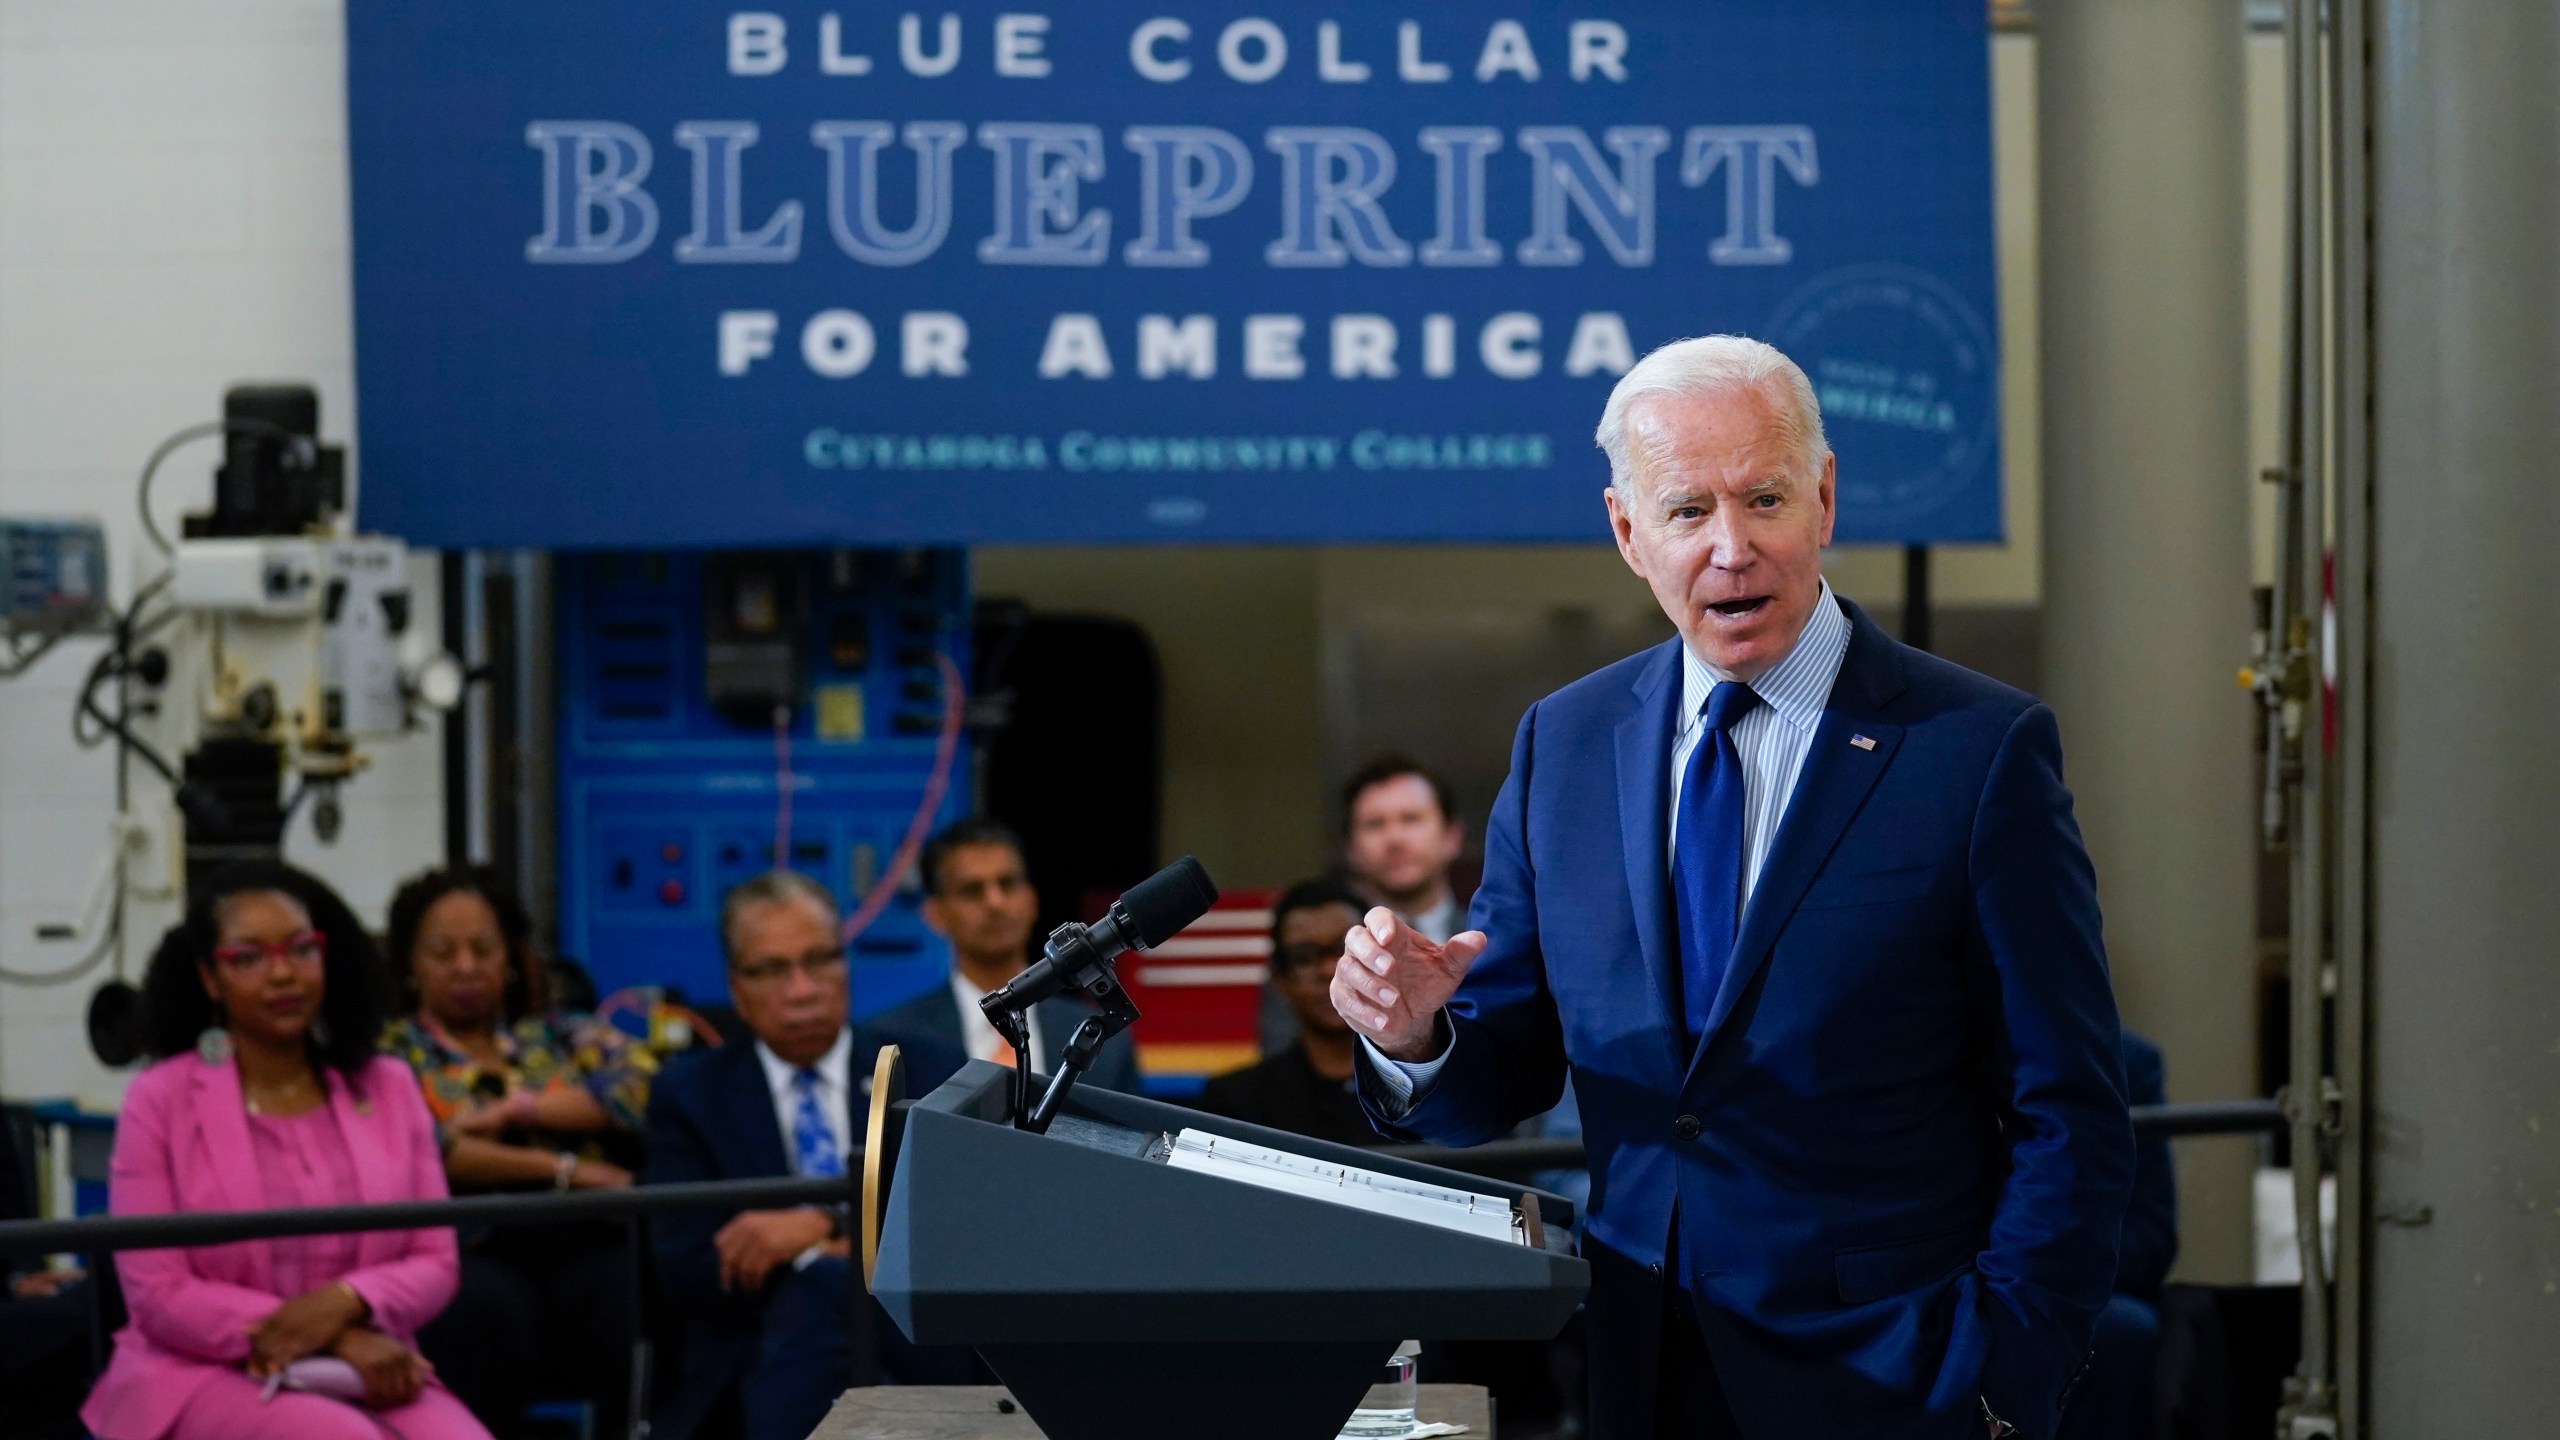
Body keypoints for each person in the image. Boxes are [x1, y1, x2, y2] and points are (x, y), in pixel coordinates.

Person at [1332, 335, 2135, 1440]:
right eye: (1685, 513)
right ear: (1625, 531)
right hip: (1641, 1370)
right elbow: (1492, 1079)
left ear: (1824, 497)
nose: (1730, 550)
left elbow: (2070, 1105)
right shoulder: (1563, 745)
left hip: (1905, 1378)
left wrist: (2010, 1373)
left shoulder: (1975, 750)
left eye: (1763, 499)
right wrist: (1416, 1038)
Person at [82, 861, 492, 1440]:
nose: (283, 974)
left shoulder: (389, 1085)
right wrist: (332, 1334)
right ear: (209, 979)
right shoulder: (159, 1100)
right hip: (200, 1370)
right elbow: (159, 1293)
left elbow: (435, 1261)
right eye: (249, 958)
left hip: (370, 1366)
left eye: (301, 949)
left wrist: (350, 1301)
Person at [645, 872, 971, 1440]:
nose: (801, 989)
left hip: (914, 1347)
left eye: (820, 960)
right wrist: (828, 1262)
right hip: (756, 1354)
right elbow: (687, 1268)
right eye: (772, 970)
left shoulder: (925, 1068)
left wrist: (821, 1224)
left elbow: (957, 1223)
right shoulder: (691, 1094)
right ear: (736, 989)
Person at [380, 865, 657, 1438]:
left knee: (632, 1291)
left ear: (509, 960)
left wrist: (517, 1111)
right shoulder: (389, 1055)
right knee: (486, 1311)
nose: (465, 966)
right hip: (469, 1244)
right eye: (443, 951)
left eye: (482, 948)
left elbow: (642, 1091)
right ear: (410, 963)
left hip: (580, 1238)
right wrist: (567, 1169)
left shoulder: (559, 1035)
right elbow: (433, 1147)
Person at [868, 818, 1141, 1097]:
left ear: (1032, 900)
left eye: (1007, 884)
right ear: (935, 914)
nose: (995, 903)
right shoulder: (895, 1045)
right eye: (972, 890)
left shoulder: (1104, 1040)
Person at [2058, 1031, 2178, 1440]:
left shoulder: (2126, 1062)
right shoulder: (1916, 1054)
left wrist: (2044, 1268)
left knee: (2121, 1333)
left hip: (2069, 1284)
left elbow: (2152, 1238)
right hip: (1942, 1279)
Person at [1195, 878, 1375, 1148]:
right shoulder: (1234, 1104)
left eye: (1344, 950)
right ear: (1281, 980)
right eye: (1304, 957)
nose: (1328, 970)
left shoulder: (1432, 1086)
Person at [1340, 755, 1469, 943]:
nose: (1395, 839)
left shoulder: (1498, 940)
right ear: (1351, 848)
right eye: (1375, 824)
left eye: (1411, 818)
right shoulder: (1335, 953)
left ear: (1452, 836)